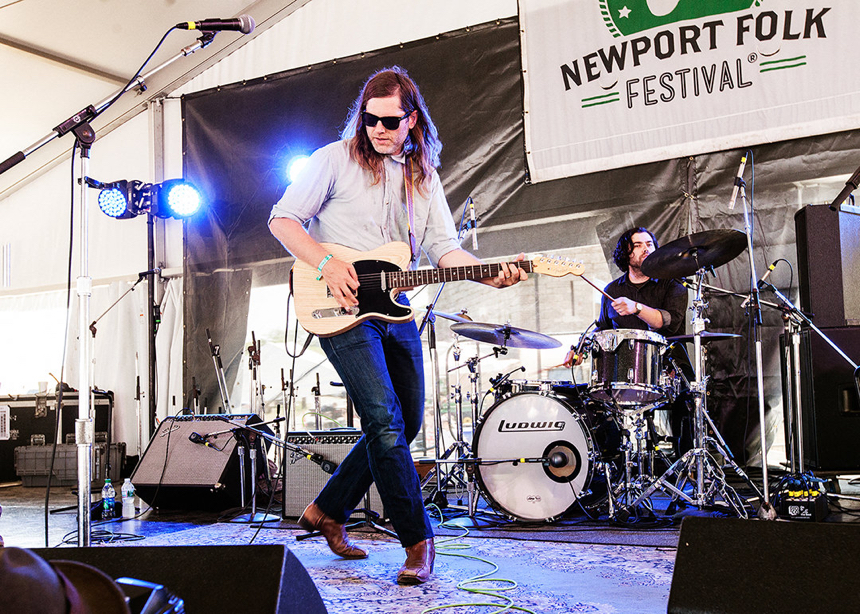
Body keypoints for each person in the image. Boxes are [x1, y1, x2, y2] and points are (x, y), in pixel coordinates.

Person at [268, 66, 526, 585]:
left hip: (396, 307)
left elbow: (445, 250)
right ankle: (418, 538)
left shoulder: (421, 178)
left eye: (390, 121)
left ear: (412, 121)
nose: (378, 129)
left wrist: (487, 273)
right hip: (338, 307)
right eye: (369, 119)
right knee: (384, 420)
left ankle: (327, 509)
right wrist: (326, 264)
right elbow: (282, 219)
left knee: (406, 422)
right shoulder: (332, 160)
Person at [564, 227, 690, 451]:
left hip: (666, 368)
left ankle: (686, 465)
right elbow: (601, 329)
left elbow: (667, 321)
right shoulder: (612, 290)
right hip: (623, 372)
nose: (646, 249)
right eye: (638, 245)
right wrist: (579, 349)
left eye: (649, 244)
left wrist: (636, 308)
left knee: (688, 407)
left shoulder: (673, 284)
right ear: (626, 252)